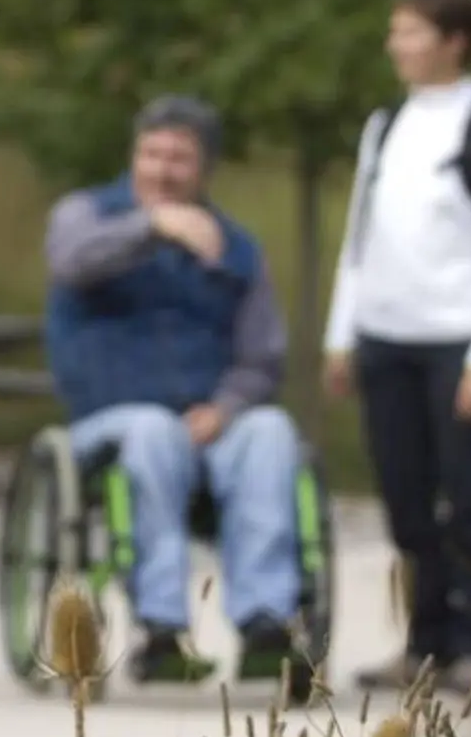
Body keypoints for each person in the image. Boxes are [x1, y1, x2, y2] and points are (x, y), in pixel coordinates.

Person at [321, 0, 471, 701]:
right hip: (387, 337)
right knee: (406, 498)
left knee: (468, 492)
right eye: (396, 32)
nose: (397, 45)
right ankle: (424, 641)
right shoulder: (386, 125)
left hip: (457, 338)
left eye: (411, 32)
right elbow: (360, 233)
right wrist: (340, 333)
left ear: (455, 41)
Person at [44, 94, 303, 686]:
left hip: (208, 422)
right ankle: (160, 629)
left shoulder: (237, 249)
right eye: (150, 153)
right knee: (153, 431)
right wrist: (150, 227)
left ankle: (267, 621)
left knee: (270, 430)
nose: (160, 169)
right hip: (109, 419)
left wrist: (225, 408)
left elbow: (262, 357)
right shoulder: (85, 216)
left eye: (178, 159)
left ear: (205, 169)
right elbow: (70, 263)